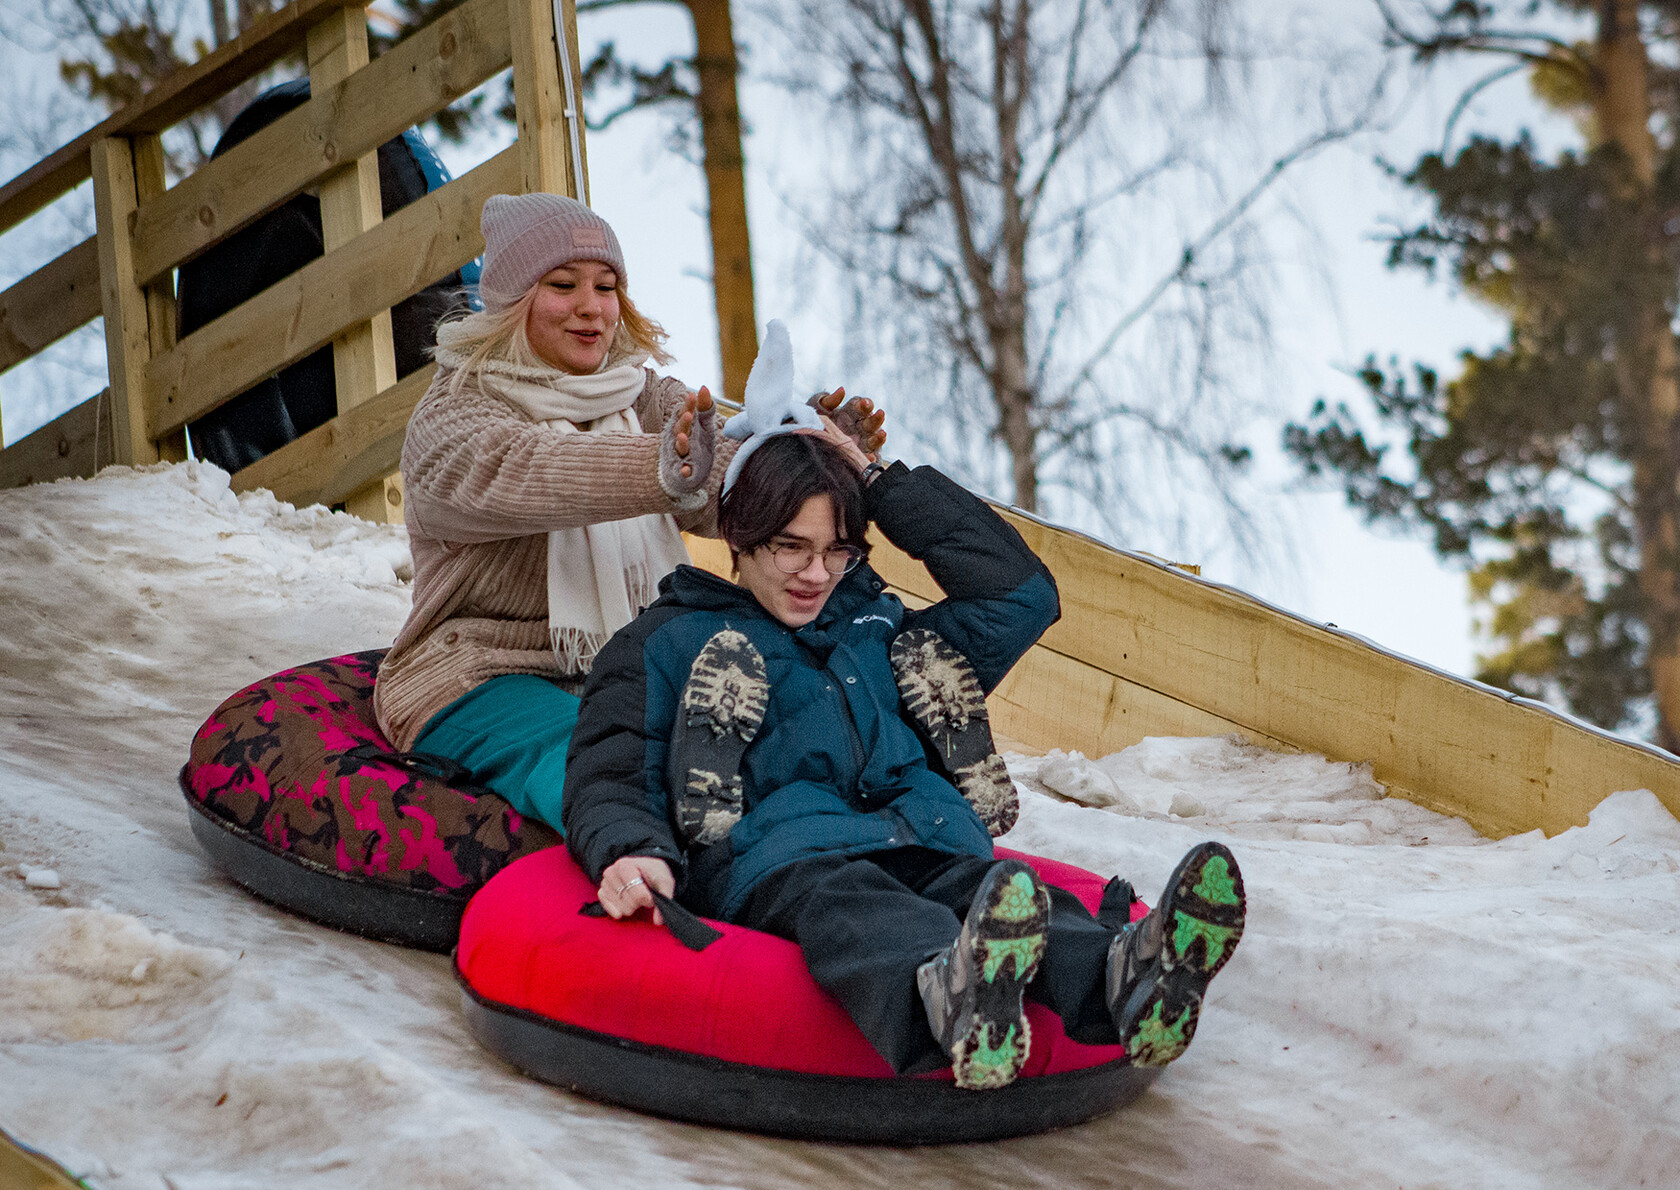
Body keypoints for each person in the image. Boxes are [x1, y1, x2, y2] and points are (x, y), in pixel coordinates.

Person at [562, 332, 1247, 1089]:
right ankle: (949, 998)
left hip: (923, 834)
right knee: (858, 907)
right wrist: (629, 847)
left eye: (839, 551)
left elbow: (1019, 596)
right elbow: (610, 771)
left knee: (989, 896)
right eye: (792, 547)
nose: (816, 574)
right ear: (738, 533)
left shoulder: (883, 631)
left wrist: (875, 479)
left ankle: (1130, 975)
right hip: (785, 861)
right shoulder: (667, 640)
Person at [371, 192, 880, 831]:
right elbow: (530, 469)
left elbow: (722, 480)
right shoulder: (455, 414)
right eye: (563, 284)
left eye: (607, 287)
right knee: (604, 758)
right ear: (509, 301)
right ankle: (676, 862)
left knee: (776, 732)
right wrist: (659, 469)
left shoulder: (639, 396)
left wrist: (803, 455)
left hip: (631, 666)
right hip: (479, 669)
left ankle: (854, 841)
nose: (591, 306)